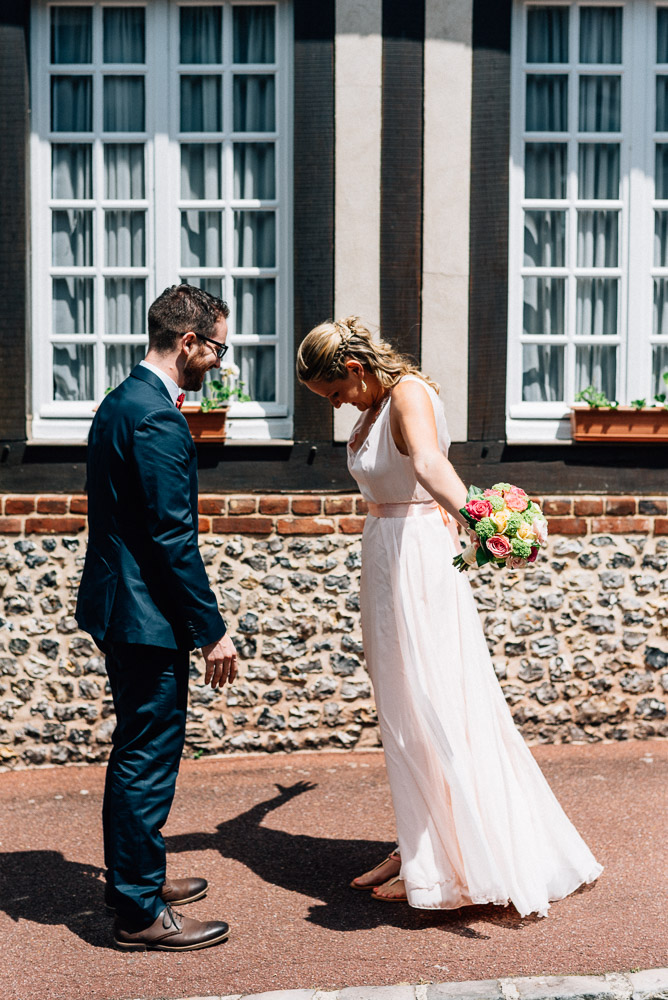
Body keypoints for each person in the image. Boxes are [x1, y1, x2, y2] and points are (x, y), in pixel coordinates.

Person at [297, 316, 603, 915]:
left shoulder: (408, 393)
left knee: (436, 702)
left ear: (355, 369)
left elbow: (432, 466)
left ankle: (447, 859)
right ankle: (418, 842)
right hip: (385, 555)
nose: (336, 407)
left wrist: (487, 525)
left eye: (335, 394)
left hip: (417, 559)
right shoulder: (370, 407)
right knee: (403, 710)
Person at [76, 284, 237, 951]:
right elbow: (172, 539)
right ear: (190, 342)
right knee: (147, 753)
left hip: (122, 603)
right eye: (219, 349)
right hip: (145, 614)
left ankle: (137, 878)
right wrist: (212, 630)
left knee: (138, 748)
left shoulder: (121, 400)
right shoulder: (157, 419)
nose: (220, 365)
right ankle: (140, 912)